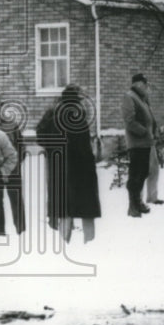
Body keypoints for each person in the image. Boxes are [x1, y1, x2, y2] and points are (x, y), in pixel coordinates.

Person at [35, 85, 101, 243]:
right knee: (86, 210)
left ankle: (64, 243)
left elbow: (40, 137)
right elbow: (83, 147)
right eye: (81, 100)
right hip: (78, 171)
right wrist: (91, 161)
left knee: (64, 209)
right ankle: (90, 244)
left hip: (58, 170)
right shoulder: (76, 116)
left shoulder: (51, 115)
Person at [122, 72, 158, 217]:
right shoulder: (129, 97)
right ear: (137, 84)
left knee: (143, 173)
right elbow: (129, 121)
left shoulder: (142, 98)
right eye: (144, 84)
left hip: (145, 142)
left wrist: (154, 130)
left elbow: (149, 117)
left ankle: (138, 202)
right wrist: (144, 132)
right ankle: (133, 206)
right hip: (136, 143)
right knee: (136, 174)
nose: (146, 87)